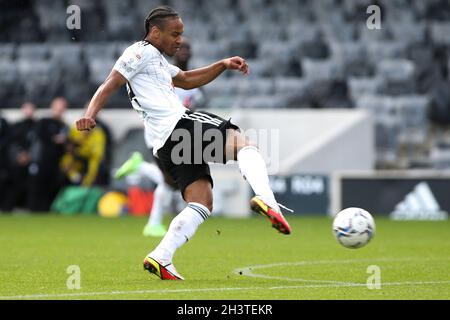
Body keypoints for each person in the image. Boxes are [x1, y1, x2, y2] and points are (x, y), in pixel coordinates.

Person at [76, 6, 292, 281]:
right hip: (180, 125)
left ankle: (161, 256)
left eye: (181, 34)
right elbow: (109, 84)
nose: (179, 40)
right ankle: (267, 198)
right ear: (155, 32)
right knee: (243, 145)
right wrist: (89, 115)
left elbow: (187, 80)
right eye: (174, 34)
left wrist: (223, 64)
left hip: (165, 144)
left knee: (202, 201)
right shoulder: (137, 53)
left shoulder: (156, 59)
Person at [115, 37, 204, 238]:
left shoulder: (195, 83)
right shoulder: (163, 72)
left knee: (171, 182)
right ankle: (154, 223)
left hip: (178, 132)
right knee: (170, 180)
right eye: (180, 46)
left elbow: (192, 109)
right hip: (158, 131)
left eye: (188, 47)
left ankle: (140, 169)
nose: (184, 50)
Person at [28, 97, 69, 211]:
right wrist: (54, 139)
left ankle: (46, 210)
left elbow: (66, 144)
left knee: (52, 187)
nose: (60, 109)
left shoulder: (64, 125)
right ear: (53, 107)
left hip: (56, 162)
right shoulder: (44, 122)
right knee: (37, 186)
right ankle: (33, 209)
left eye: (63, 106)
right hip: (41, 160)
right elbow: (38, 138)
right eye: (59, 106)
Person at [2, 102, 37, 212]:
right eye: (27, 109)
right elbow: (12, 143)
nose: (29, 111)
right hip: (16, 162)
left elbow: (38, 144)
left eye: (31, 109)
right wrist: (19, 155)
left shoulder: (38, 126)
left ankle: (29, 207)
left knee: (32, 184)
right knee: (13, 183)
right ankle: (9, 207)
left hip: (32, 161)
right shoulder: (16, 126)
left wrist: (30, 155)